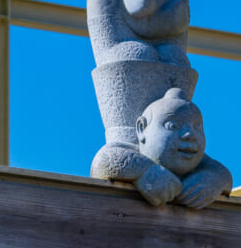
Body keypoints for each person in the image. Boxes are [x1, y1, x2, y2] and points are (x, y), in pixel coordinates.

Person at [91, 88, 232, 208]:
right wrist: (146, 171)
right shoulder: (132, 151)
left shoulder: (202, 164)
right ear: (141, 129)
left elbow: (223, 175)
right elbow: (103, 160)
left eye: (197, 127)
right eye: (172, 126)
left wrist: (212, 181)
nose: (190, 134)